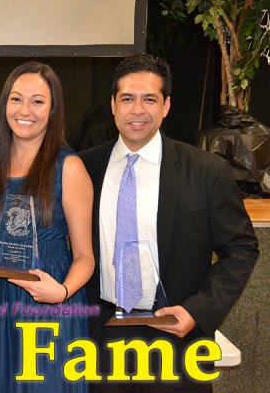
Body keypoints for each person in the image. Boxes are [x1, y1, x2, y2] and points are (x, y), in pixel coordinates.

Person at [80, 54, 259, 392]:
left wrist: (198, 311)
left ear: (166, 106)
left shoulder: (206, 171)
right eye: (128, 99)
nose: (138, 110)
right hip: (100, 338)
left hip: (176, 339)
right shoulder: (83, 168)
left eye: (149, 99)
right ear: (113, 105)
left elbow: (241, 249)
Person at [0, 61, 95, 392]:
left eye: (38, 101)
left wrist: (62, 291)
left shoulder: (69, 168)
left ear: (53, 110)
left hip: (48, 302)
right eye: (16, 99)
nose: (25, 110)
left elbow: (85, 256)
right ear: (4, 105)